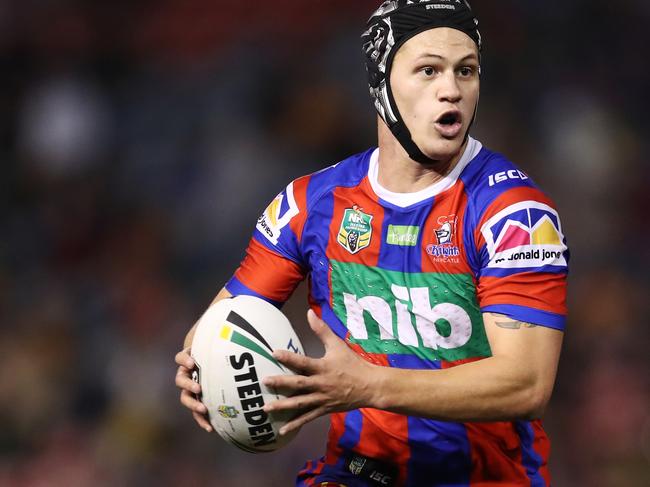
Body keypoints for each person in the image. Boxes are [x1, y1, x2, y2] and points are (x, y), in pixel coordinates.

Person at [175, 1, 569, 485]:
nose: (451, 90)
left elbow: (525, 385)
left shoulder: (514, 215)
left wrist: (368, 386)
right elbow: (222, 321)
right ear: (381, 83)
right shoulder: (311, 203)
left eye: (465, 71)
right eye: (428, 70)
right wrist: (201, 367)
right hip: (357, 474)